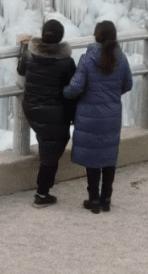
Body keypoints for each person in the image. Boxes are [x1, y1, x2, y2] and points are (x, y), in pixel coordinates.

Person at [63, 20, 133, 213]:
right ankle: (106, 200)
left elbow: (75, 87)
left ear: (96, 36)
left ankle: (93, 201)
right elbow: (128, 84)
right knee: (109, 156)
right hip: (112, 115)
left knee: (93, 159)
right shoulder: (122, 58)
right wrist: (111, 96)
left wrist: (64, 92)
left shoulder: (87, 59)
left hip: (89, 115)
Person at [17, 19, 77, 207]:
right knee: (52, 148)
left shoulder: (29, 55)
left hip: (31, 109)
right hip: (55, 112)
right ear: (60, 38)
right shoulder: (66, 62)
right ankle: (42, 194)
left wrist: (24, 47)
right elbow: (73, 90)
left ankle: (43, 187)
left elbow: (20, 73)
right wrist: (74, 115)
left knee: (48, 143)